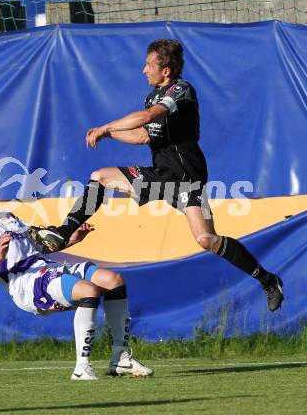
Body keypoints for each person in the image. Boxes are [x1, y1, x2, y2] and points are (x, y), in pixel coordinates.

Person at [29, 39, 284, 312]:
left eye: (149, 65)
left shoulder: (181, 90)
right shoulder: (153, 96)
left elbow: (149, 116)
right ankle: (62, 231)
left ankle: (266, 280)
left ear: (167, 70)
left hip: (186, 178)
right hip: (163, 177)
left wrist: (106, 127)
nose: (143, 70)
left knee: (206, 239)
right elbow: (142, 135)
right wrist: (109, 134)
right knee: (102, 177)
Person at [0, 173, 153, 380]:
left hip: (48, 268)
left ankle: (120, 359)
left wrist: (72, 240)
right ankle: (82, 368)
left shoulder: (6, 217)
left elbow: (40, 246)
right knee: (89, 291)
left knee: (113, 281)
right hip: (26, 283)